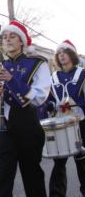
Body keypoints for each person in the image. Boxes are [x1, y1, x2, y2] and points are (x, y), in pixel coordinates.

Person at [0, 21, 50, 197]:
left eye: (12, 36)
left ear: (21, 41)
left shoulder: (37, 64)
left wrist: (12, 80)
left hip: (28, 127)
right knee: (2, 178)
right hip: (4, 129)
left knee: (32, 177)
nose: (7, 40)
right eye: (5, 37)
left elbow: (40, 97)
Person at [47, 40, 85, 197]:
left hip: (80, 121)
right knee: (59, 160)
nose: (61, 55)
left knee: (82, 160)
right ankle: (56, 194)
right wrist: (50, 105)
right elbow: (48, 99)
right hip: (61, 123)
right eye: (59, 53)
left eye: (65, 52)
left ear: (72, 55)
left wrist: (76, 103)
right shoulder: (53, 77)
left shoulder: (82, 74)